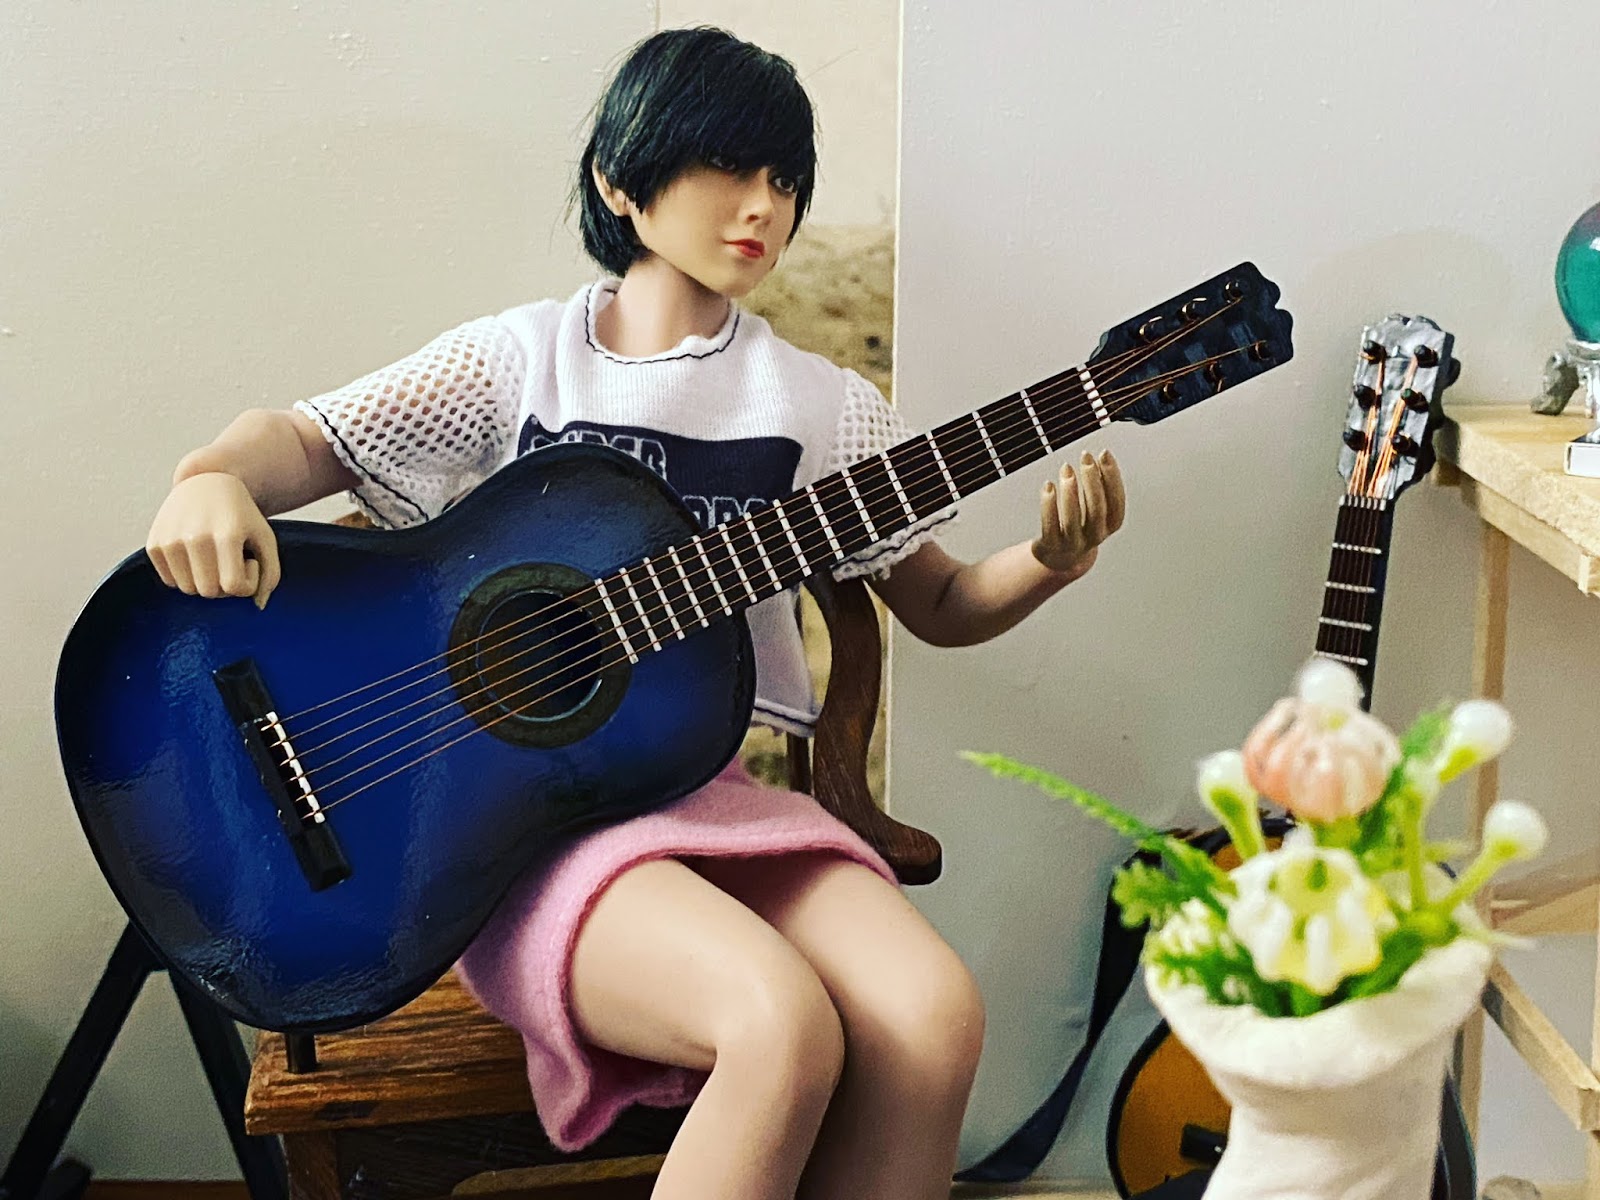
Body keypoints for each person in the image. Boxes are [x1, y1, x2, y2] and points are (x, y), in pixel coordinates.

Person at [143, 26, 1126, 1200]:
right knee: (777, 1022)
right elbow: (306, 438)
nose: (763, 205)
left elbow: (944, 602)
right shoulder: (520, 361)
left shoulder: (816, 407)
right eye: (730, 165)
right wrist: (211, 475)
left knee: (933, 1013)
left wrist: (1050, 560)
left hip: (712, 799)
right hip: (513, 827)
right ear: (621, 179)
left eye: (785, 179)